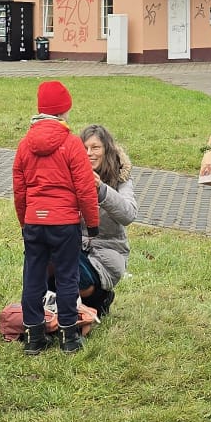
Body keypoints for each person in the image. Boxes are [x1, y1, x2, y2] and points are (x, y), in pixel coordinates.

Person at [12, 80, 100, 354]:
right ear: (63, 112)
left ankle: (34, 338)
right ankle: (69, 338)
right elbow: (85, 187)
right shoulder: (72, 144)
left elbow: (19, 189)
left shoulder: (25, 145)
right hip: (64, 223)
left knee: (33, 277)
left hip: (35, 223)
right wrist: (92, 222)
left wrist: (24, 221)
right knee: (66, 277)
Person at [74, 123, 138, 317]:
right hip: (77, 246)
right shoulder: (72, 174)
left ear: (106, 150)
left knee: (68, 265)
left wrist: (101, 189)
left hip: (107, 253)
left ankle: (99, 298)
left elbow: (128, 214)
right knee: (47, 255)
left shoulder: (120, 177)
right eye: (84, 148)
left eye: (95, 148)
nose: (89, 153)